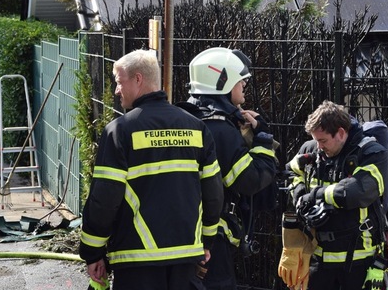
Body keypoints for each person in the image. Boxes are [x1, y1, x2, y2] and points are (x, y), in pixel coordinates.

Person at [79, 49, 224, 290]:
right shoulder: (196, 128)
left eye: (118, 82)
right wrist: (206, 241)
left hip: (136, 260)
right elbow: (213, 193)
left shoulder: (120, 131)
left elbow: (104, 199)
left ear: (138, 79)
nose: (117, 90)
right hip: (186, 256)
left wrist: (93, 252)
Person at [177, 47, 279, 290]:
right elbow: (250, 179)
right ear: (222, 81)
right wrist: (263, 138)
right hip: (212, 238)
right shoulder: (219, 129)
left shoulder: (185, 118)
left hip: (181, 230)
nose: (244, 84)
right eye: (240, 80)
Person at [287, 100, 388, 290]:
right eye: (315, 140)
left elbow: (359, 191)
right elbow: (291, 172)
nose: (318, 147)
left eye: (323, 141)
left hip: (358, 261)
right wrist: (299, 194)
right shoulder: (311, 149)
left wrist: (316, 194)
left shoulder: (371, 153)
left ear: (341, 133)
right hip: (319, 259)